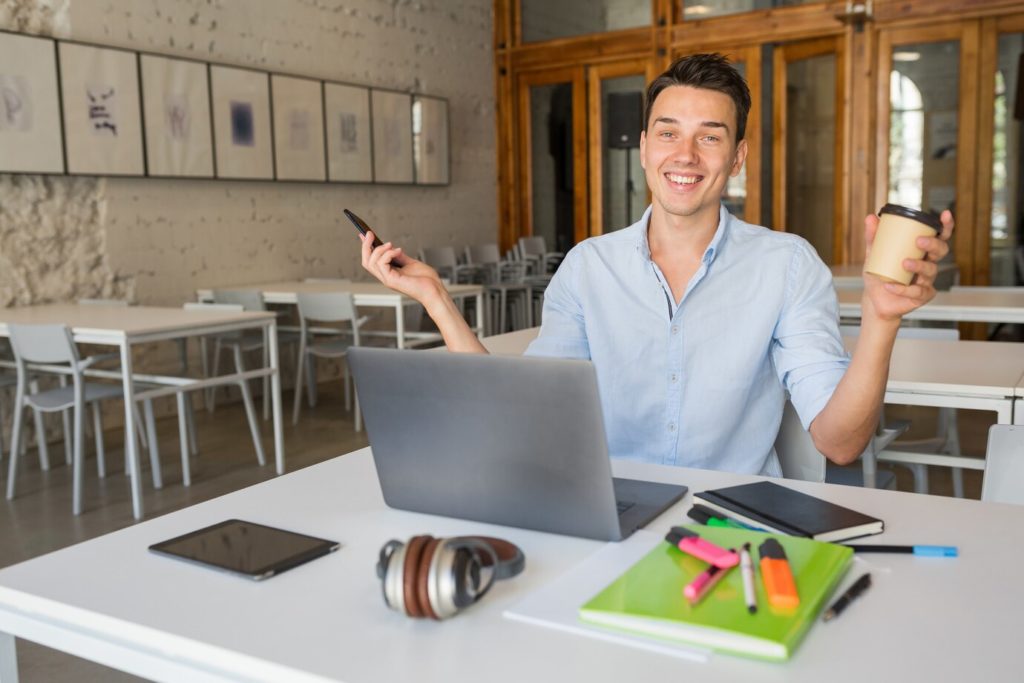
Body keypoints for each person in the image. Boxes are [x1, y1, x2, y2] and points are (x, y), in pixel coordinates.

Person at [360, 53, 953, 476]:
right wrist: (436, 298)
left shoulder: (788, 267)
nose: (685, 155)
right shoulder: (588, 268)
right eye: (667, 133)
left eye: (710, 137)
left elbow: (840, 444)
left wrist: (881, 319)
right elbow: (524, 415)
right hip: (613, 510)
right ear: (644, 148)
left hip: (735, 522)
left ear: (738, 157)